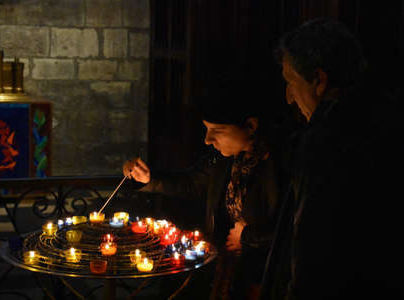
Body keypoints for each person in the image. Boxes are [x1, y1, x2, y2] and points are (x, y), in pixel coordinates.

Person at [260, 18, 404, 300]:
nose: (289, 98)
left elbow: (311, 254)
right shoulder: (387, 120)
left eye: (291, 82)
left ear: (319, 81)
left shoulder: (324, 145)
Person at [123, 83, 283, 299]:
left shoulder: (280, 165)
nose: (208, 140)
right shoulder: (225, 160)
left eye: (217, 131)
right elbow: (192, 183)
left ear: (251, 126)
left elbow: (293, 228)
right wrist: (148, 179)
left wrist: (247, 236)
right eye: (207, 130)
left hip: (265, 279)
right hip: (226, 272)